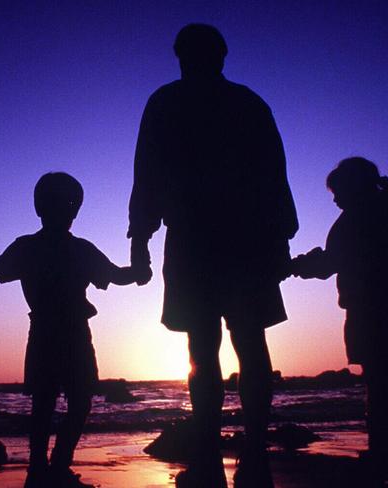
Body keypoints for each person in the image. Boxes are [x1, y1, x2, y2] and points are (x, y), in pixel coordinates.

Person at [128, 24, 298, 488]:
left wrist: (140, 237)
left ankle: (218, 440)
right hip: (231, 240)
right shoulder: (245, 103)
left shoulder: (170, 102)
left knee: (212, 345)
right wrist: (282, 232)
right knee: (242, 342)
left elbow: (147, 173)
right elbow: (274, 172)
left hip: (208, 241)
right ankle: (248, 441)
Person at [0, 172, 144, 488]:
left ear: (74, 209)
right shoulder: (37, 248)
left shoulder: (69, 248)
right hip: (55, 333)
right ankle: (43, 466)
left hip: (67, 333)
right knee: (51, 402)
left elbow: (115, 275)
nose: (63, 210)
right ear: (41, 207)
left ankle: (52, 466)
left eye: (67, 204)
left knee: (70, 402)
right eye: (57, 203)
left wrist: (136, 272)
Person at [291, 157, 388, 488]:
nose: (335, 199)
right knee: (387, 381)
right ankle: (386, 451)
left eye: (337, 192)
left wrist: (296, 265)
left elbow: (329, 264)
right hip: (384, 308)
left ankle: (382, 452)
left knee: (378, 384)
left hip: (369, 311)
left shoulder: (352, 222)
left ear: (353, 188)